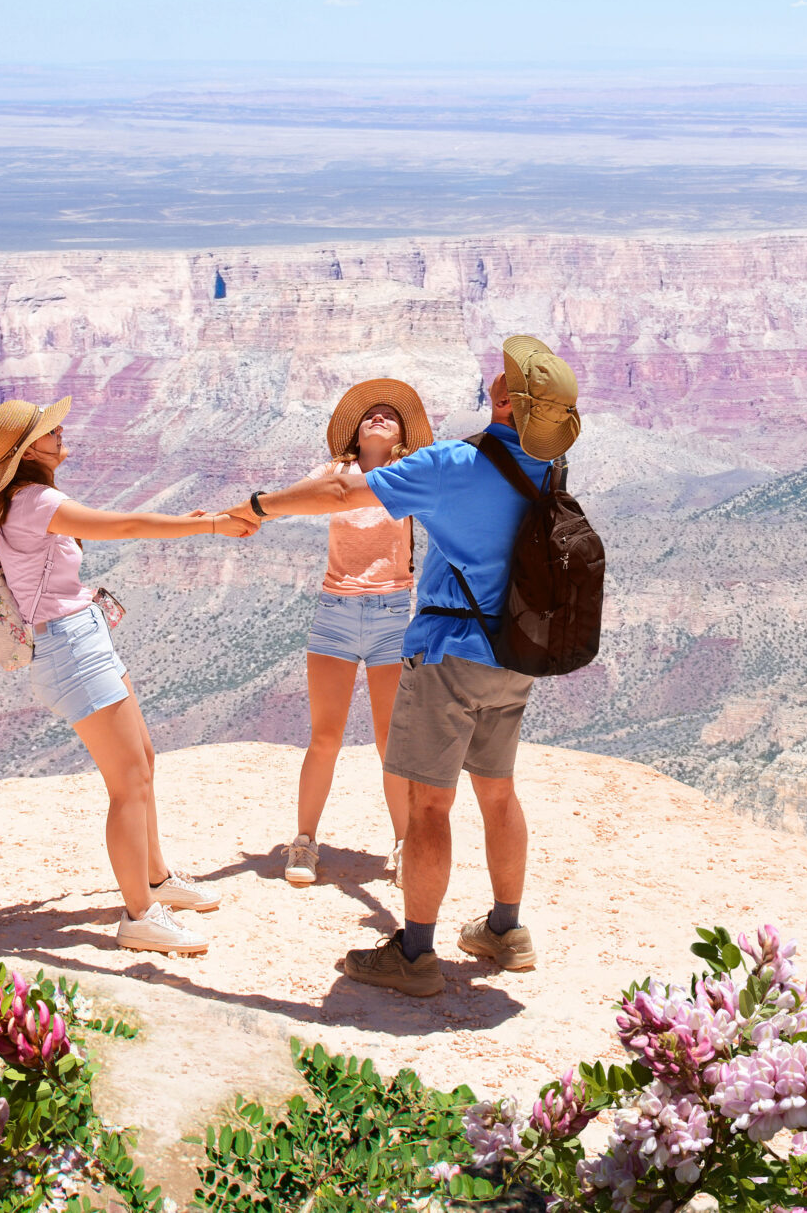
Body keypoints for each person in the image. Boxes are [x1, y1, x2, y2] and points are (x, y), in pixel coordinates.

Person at [239, 335, 582, 998]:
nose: (496, 376)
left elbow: (345, 493)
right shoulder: (549, 466)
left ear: (509, 401)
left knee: (430, 802)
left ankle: (415, 952)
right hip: (515, 651)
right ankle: (506, 930)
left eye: (505, 377)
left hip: (451, 651)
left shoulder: (458, 463)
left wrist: (260, 506)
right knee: (499, 791)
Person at [0, 396, 252, 955]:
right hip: (71, 650)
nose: (61, 433)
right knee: (127, 782)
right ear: (30, 450)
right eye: (50, 430)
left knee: (144, 762)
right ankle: (138, 916)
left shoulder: (24, 499)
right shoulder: (35, 500)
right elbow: (124, 525)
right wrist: (214, 527)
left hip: (86, 639)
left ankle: (155, 878)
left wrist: (194, 521)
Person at [283, 378, 432, 889]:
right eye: (371, 414)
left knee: (392, 742)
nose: (378, 417)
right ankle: (303, 842)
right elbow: (289, 501)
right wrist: (245, 511)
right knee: (324, 737)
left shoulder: (410, 475)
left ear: (402, 436)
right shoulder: (334, 475)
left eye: (390, 415)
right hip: (336, 611)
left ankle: (406, 845)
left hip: (394, 615)